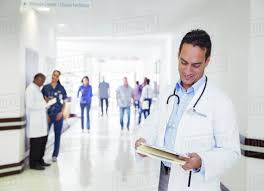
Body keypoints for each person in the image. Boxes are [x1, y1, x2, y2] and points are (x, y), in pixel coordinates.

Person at [135, 29, 240, 191]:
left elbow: (231, 152)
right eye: (183, 62)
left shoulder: (221, 102)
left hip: (194, 183)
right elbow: (152, 124)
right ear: (178, 56)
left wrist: (202, 161)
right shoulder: (168, 92)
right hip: (161, 176)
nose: (187, 71)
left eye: (196, 65)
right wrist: (143, 141)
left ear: (207, 61)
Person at [25, 73, 52, 170]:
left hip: (41, 122)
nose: (42, 83)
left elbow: (39, 103)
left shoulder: (37, 89)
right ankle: (33, 164)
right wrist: (44, 105)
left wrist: (46, 102)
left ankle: (40, 160)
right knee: (36, 144)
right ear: (35, 79)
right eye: (41, 81)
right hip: (35, 123)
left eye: (43, 81)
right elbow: (30, 105)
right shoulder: (30, 89)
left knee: (42, 142)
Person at [42, 70, 67, 162]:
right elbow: (42, 101)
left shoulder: (61, 88)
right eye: (53, 75)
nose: (54, 77)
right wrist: (45, 113)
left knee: (57, 135)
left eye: (57, 76)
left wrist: (61, 112)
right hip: (48, 115)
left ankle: (55, 155)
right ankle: (41, 154)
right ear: (51, 75)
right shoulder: (46, 87)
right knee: (44, 135)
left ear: (58, 77)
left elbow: (65, 102)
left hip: (58, 116)